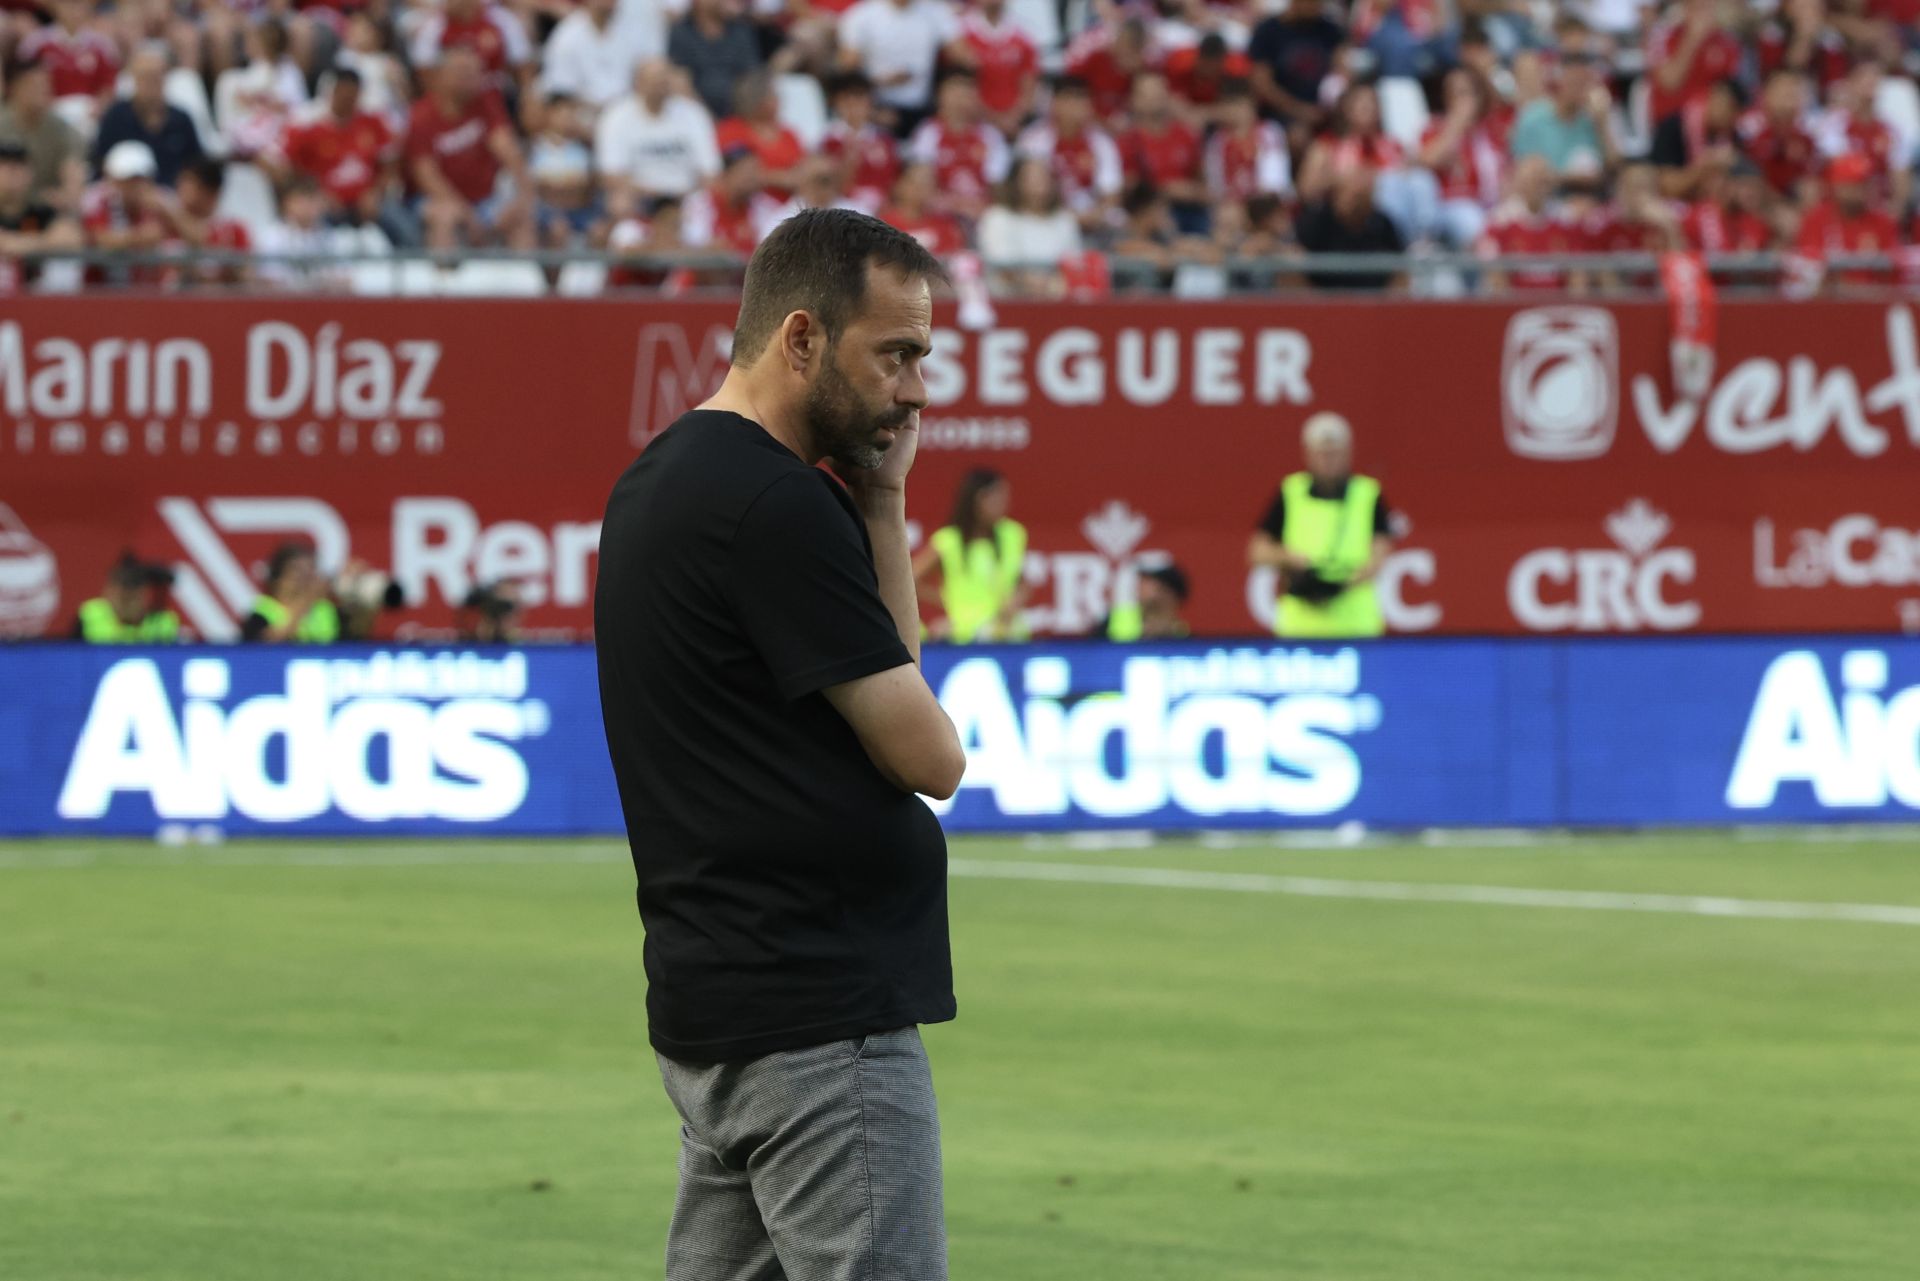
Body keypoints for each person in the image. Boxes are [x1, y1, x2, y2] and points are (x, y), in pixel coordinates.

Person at [594, 208, 962, 1280]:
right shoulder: (773, 504)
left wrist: (884, 507)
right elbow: (928, 758)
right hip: (821, 1027)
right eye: (894, 354)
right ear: (801, 338)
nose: (917, 389)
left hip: (721, 1018)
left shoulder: (661, 481)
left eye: (923, 358)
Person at [1247, 411, 1397, 639]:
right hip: (1300, 625)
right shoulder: (1291, 492)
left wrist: (1338, 584)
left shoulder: (1367, 494)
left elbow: (1380, 553)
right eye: (1322, 453)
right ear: (1308, 453)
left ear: (1348, 452)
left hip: (1355, 624)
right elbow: (1257, 551)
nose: (1328, 460)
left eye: (1334, 453)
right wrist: (1290, 561)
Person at [913, 467, 1029, 642]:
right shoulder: (949, 541)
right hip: (965, 638)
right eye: (996, 498)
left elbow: (1020, 580)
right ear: (977, 499)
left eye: (1005, 497)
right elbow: (911, 579)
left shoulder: (1012, 535)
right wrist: (948, 601)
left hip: (1006, 634)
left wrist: (1014, 602)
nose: (1003, 504)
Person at [92, 47, 203, 188]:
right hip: (128, 198)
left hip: (175, 197)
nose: (151, 84)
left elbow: (196, 167)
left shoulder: (181, 120)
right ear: (134, 79)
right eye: (145, 77)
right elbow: (101, 164)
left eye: (156, 77)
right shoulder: (116, 117)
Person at [0, 57, 87, 210]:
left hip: (44, 212)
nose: (43, 90)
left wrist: (68, 195)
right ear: (13, 88)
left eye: (46, 84)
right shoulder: (3, 124)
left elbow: (73, 181)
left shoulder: (61, 129)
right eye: (33, 85)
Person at [241, 541, 340, 642]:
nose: (305, 579)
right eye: (297, 571)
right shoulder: (262, 612)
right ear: (278, 577)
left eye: (310, 570)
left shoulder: (326, 609)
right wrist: (306, 601)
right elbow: (264, 646)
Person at [72, 554, 179, 643]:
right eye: (122, 594)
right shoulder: (89, 615)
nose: (128, 601)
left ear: (145, 593)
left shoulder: (162, 621)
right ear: (108, 591)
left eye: (134, 595)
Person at [1099, 560, 1191, 641]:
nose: (1138, 585)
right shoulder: (1111, 627)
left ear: (1166, 590)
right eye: (1140, 580)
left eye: (1146, 580)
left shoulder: (1182, 636)